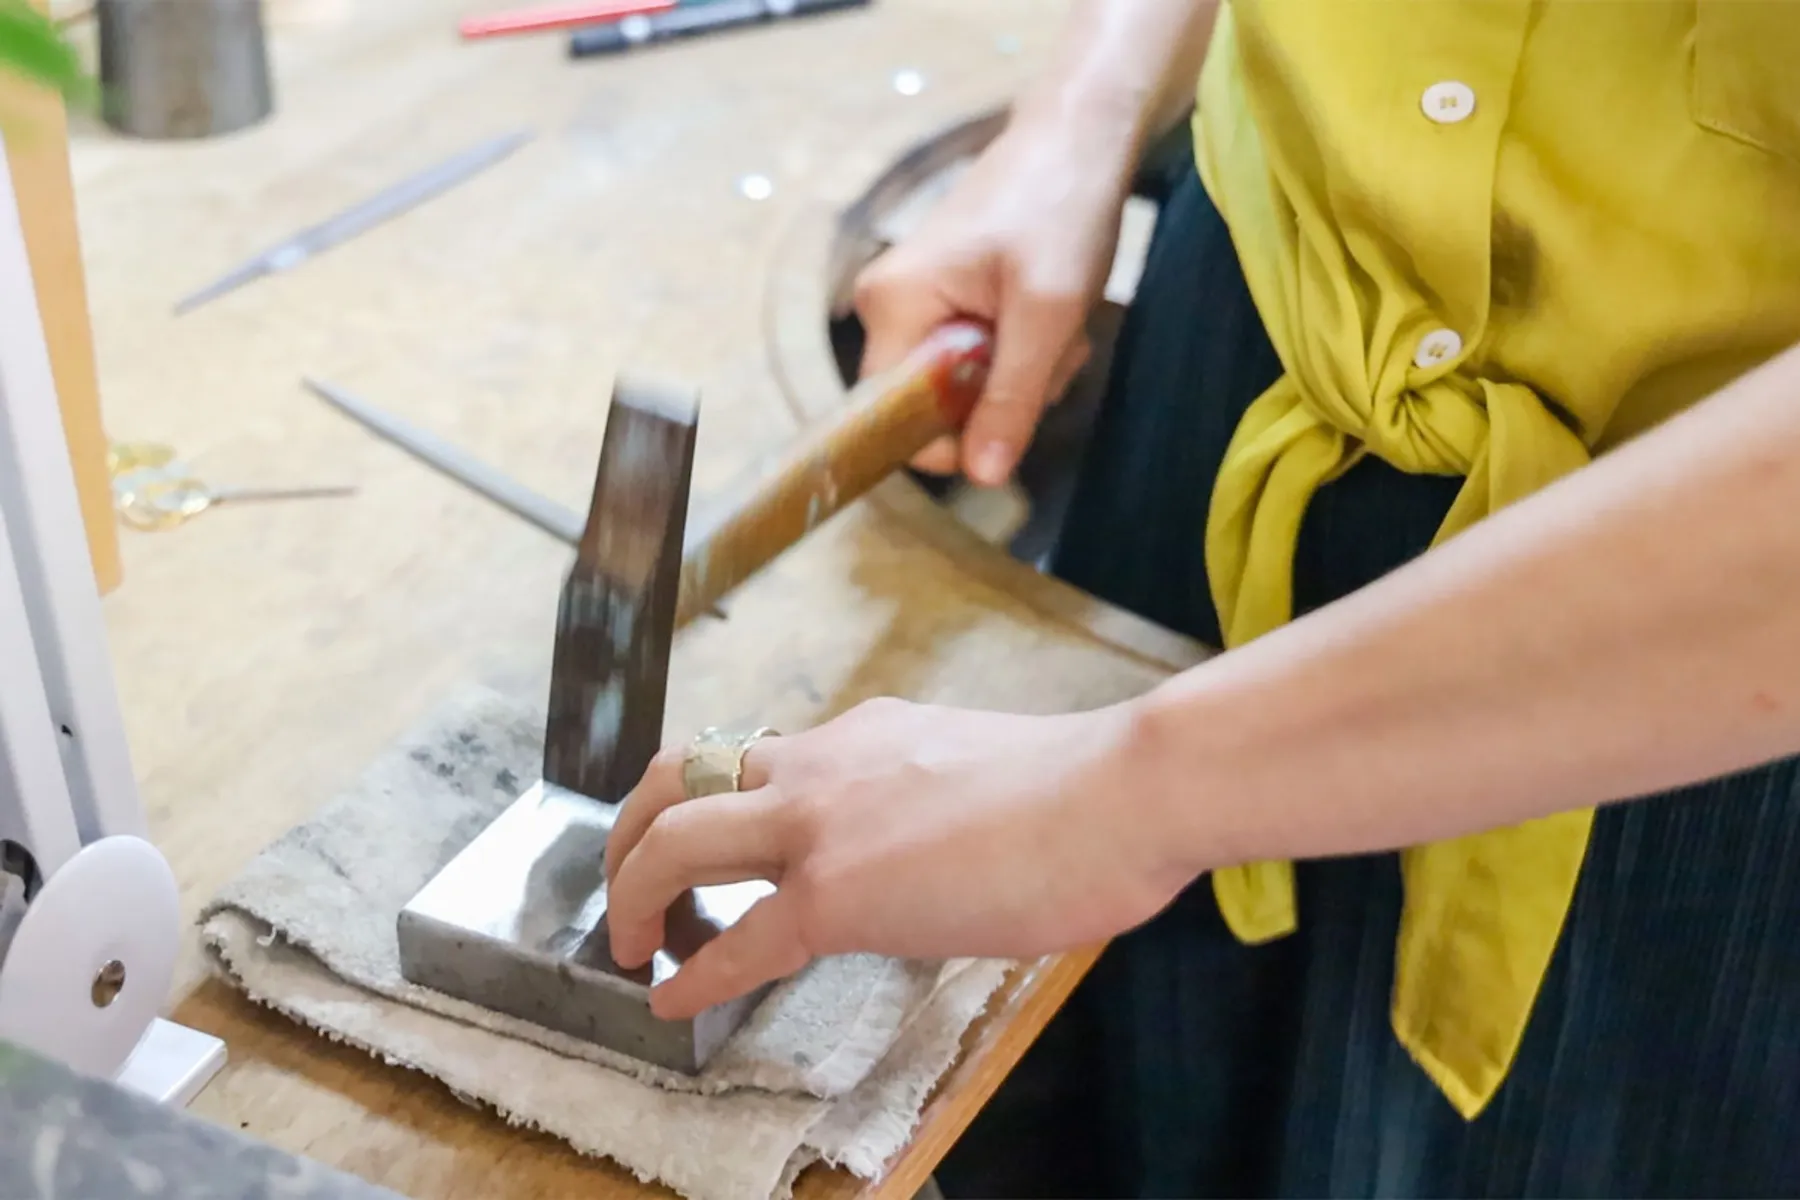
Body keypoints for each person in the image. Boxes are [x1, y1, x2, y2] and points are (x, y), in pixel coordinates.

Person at [603, 2, 1800, 1194]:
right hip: (1237, 357)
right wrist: (1081, 113)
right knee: (1126, 1105)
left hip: (1698, 638)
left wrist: (1113, 797)